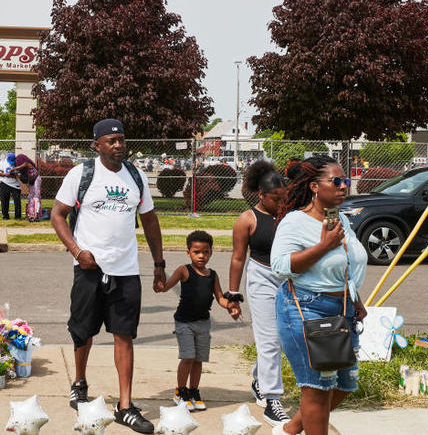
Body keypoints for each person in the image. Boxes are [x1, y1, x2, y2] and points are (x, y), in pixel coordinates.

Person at [51, 118, 166, 434]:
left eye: (121, 140)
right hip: (89, 268)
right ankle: (79, 382)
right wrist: (77, 252)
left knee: (124, 334)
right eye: (111, 140)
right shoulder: (82, 174)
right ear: (97, 145)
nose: (118, 145)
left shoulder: (136, 176)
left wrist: (159, 264)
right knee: (83, 331)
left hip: (126, 270)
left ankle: (125, 406)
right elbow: (57, 215)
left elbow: (150, 222)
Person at [270, 156, 368, 435]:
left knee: (345, 384)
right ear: (314, 186)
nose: (343, 186)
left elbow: (346, 262)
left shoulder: (340, 219)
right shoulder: (295, 222)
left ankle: (289, 429)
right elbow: (280, 266)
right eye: (336, 181)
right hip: (305, 308)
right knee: (317, 389)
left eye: (345, 181)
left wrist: (355, 298)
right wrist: (323, 246)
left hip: (343, 308)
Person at [228, 160, 290, 427]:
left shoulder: (290, 215)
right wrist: (233, 294)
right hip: (261, 277)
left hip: (288, 279)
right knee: (269, 340)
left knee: (284, 339)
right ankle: (272, 400)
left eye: (284, 198)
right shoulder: (247, 220)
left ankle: (259, 379)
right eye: (276, 199)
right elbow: (238, 258)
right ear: (261, 195)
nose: (280, 204)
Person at [158, 230, 230, 412]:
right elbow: (166, 287)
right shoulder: (184, 270)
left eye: (205, 252)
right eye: (197, 252)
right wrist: (159, 284)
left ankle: (193, 391)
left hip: (203, 323)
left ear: (211, 252)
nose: (201, 256)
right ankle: (180, 391)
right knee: (188, 356)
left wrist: (230, 305)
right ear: (188, 252)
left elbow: (220, 297)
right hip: (184, 322)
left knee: (198, 360)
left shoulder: (212, 275)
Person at [12, 153, 42, 221]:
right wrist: (17, 175)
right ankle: (30, 214)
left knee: (36, 197)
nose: (18, 163)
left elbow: (24, 164)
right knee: (30, 197)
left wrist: (14, 169)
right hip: (31, 182)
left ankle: (36, 215)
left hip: (37, 179)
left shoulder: (28, 164)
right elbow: (24, 180)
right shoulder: (23, 171)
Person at [0, 152, 21, 220]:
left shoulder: (17, 163)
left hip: (15, 184)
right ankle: (5, 216)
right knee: (4, 201)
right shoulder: (2, 162)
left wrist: (15, 175)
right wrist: (8, 175)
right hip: (5, 183)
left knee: (17, 201)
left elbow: (20, 174)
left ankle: (18, 217)